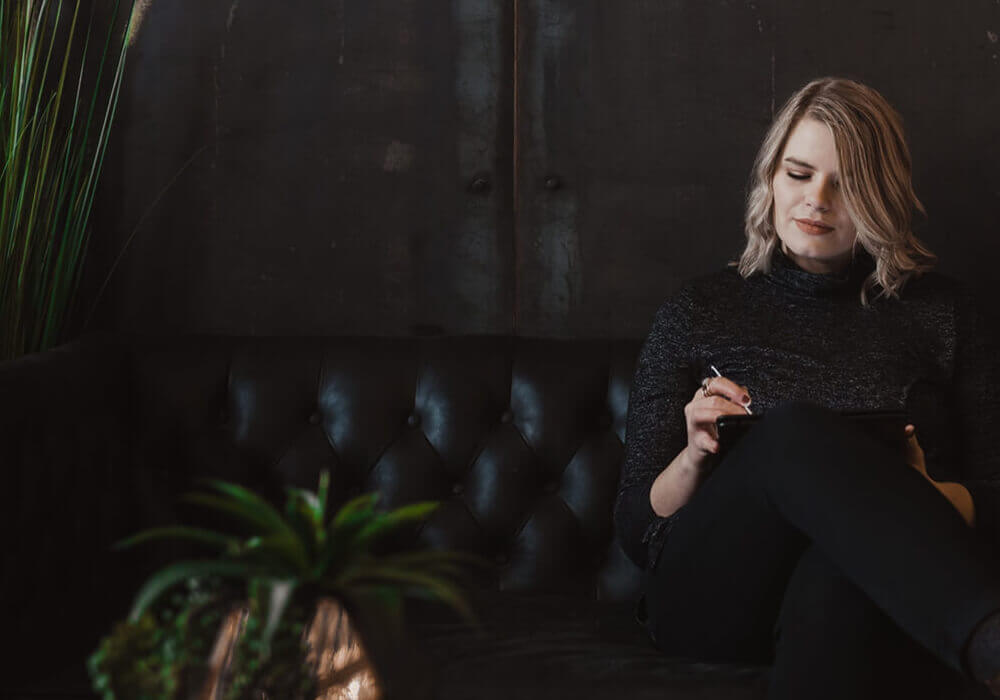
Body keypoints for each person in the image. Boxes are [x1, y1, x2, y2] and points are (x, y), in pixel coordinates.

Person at [614, 76, 1000, 699]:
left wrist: (927, 496)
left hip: (873, 590)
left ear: (883, 197)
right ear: (770, 179)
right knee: (792, 431)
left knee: (841, 559)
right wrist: (692, 457)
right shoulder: (697, 310)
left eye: (845, 184)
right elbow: (635, 532)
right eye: (798, 174)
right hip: (712, 599)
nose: (816, 199)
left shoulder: (945, 314)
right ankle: (988, 640)